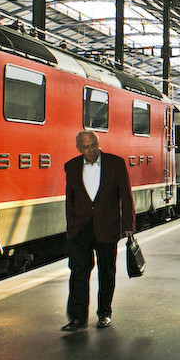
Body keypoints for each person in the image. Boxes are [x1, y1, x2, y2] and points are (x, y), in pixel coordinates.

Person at [62, 131, 135, 331]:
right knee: (78, 272)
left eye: (94, 145)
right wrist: (70, 227)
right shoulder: (71, 167)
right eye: (86, 147)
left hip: (107, 226)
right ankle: (77, 318)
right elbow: (70, 200)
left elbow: (126, 196)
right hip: (80, 228)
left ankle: (104, 314)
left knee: (106, 272)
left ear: (98, 143)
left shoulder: (116, 163)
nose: (91, 149)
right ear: (79, 148)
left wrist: (128, 225)